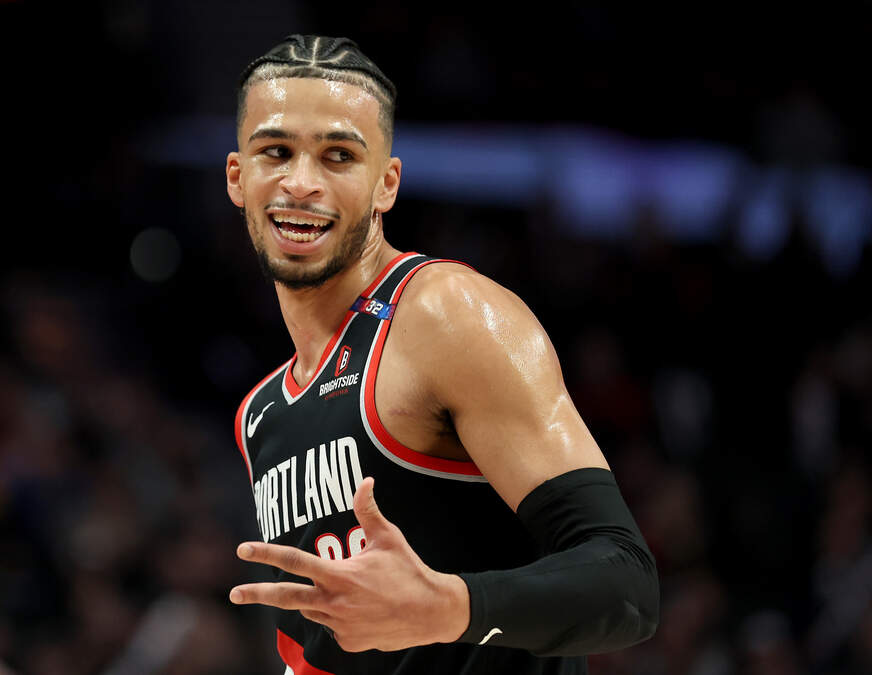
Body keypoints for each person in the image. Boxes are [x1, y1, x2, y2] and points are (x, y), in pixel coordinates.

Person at [225, 35, 659, 674]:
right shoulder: (260, 413)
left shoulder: (443, 314)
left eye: (339, 155)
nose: (301, 182)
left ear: (386, 185)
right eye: (276, 152)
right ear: (239, 177)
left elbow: (627, 582)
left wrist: (450, 606)